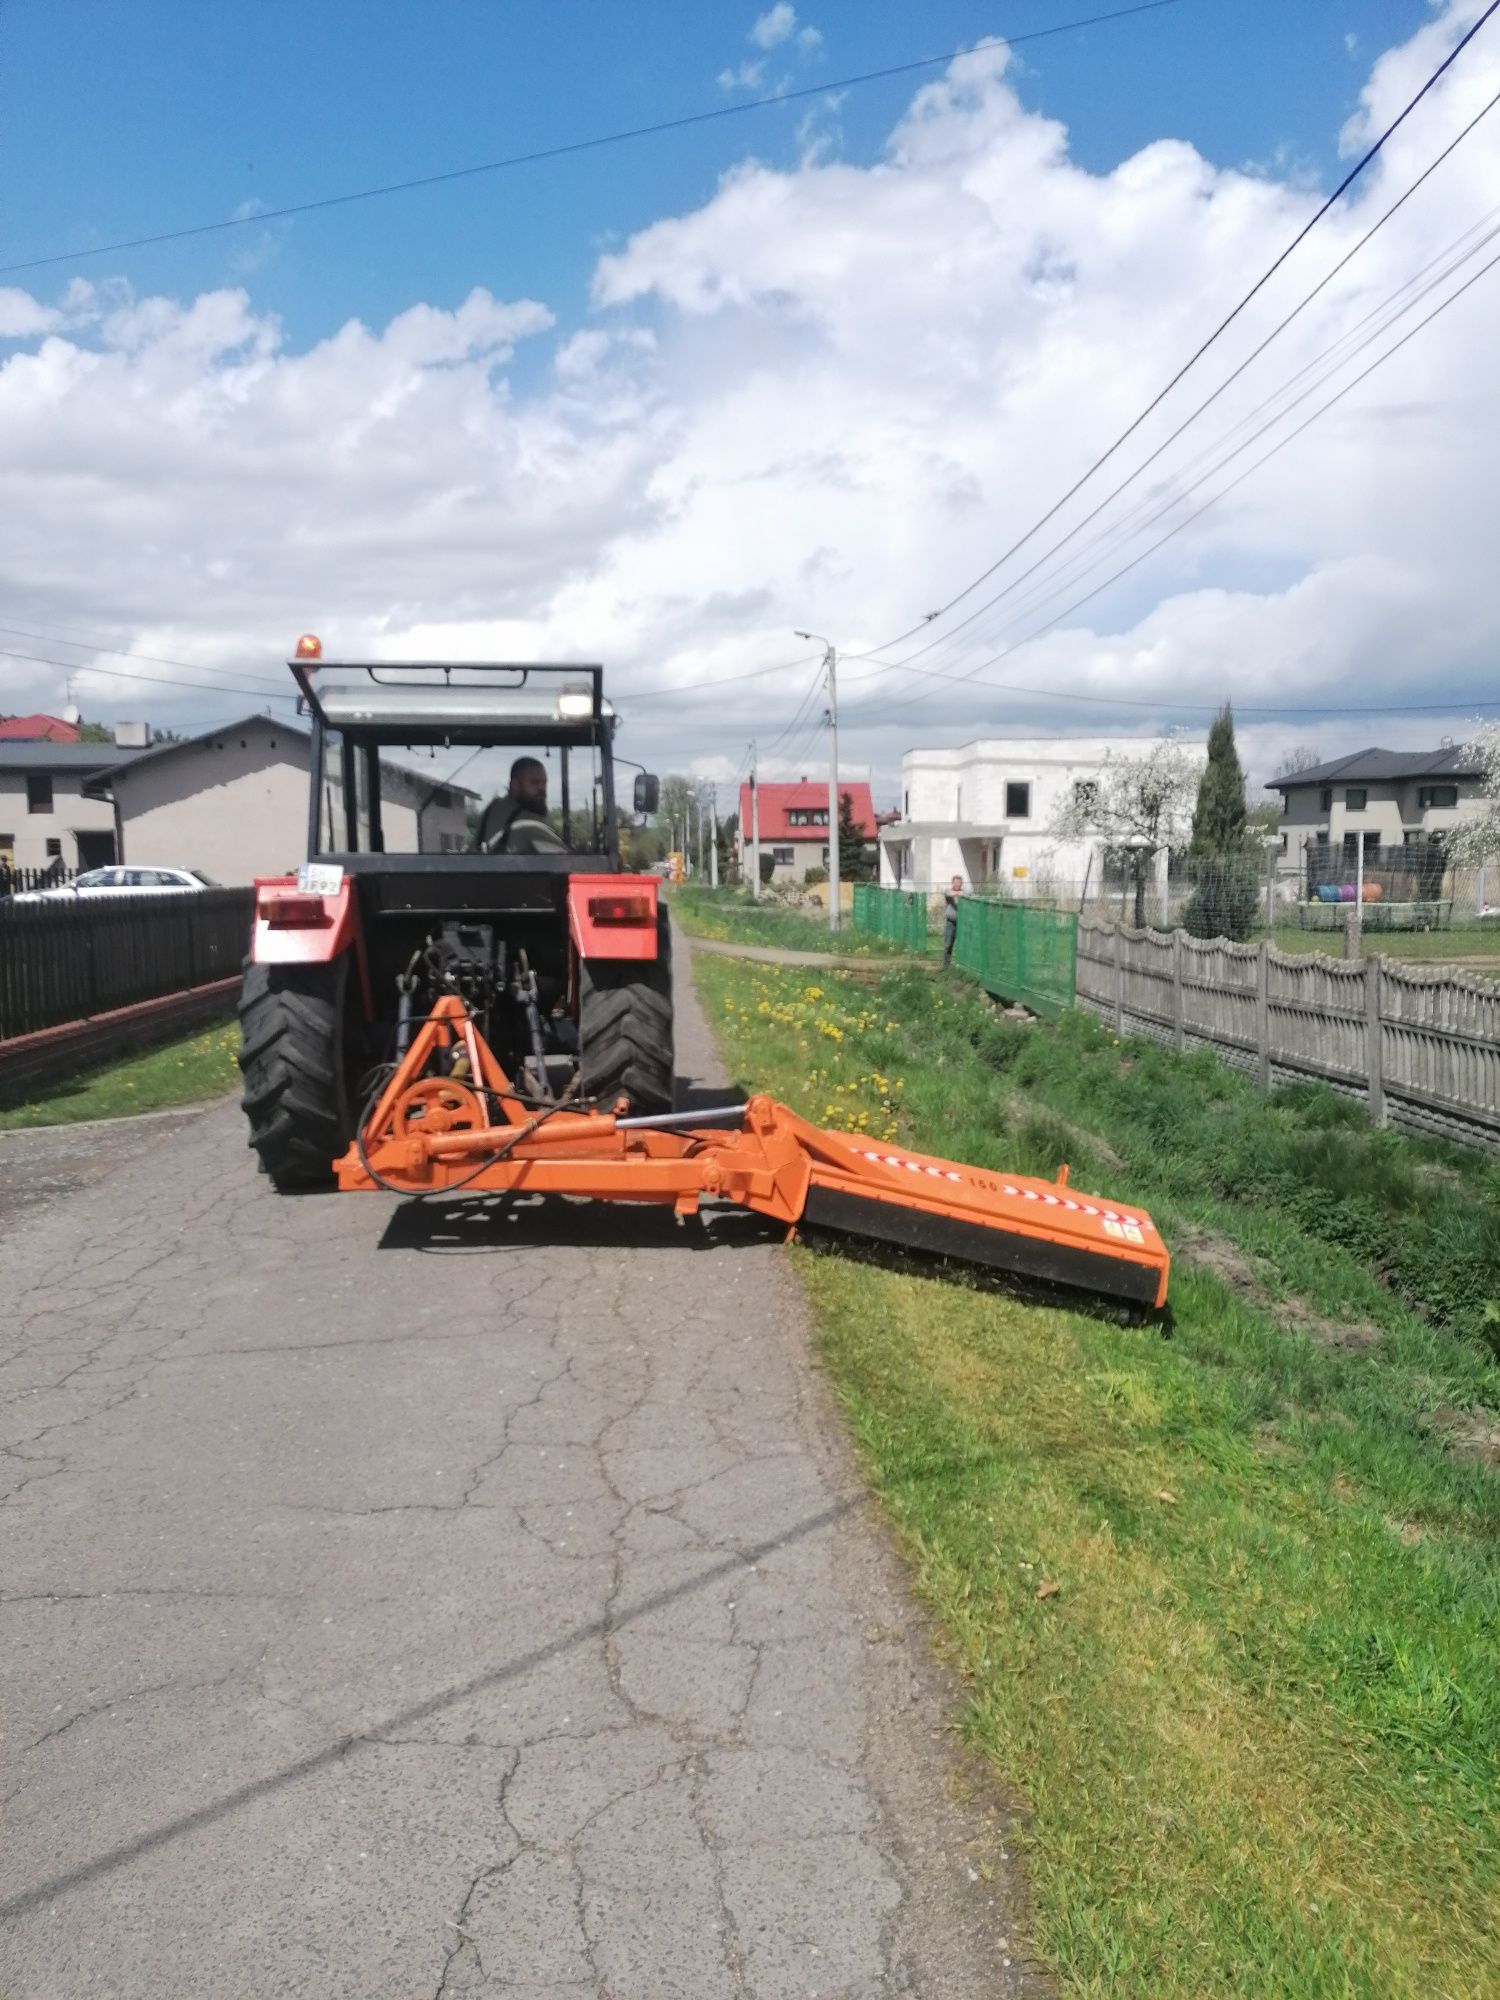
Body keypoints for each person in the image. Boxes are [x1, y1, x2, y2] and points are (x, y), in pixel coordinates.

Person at [474, 756, 569, 855]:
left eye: (544, 783)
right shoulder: (529, 823)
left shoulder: (490, 811)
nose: (542, 789)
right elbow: (571, 864)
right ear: (515, 785)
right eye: (535, 783)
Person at [942, 874, 962, 967]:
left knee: (962, 944)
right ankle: (946, 965)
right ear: (952, 883)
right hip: (951, 922)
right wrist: (958, 894)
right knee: (948, 944)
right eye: (956, 882)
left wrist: (961, 893)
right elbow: (947, 894)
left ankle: (961, 964)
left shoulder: (964, 893)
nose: (958, 884)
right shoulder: (949, 892)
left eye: (959, 882)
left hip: (962, 923)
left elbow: (971, 895)